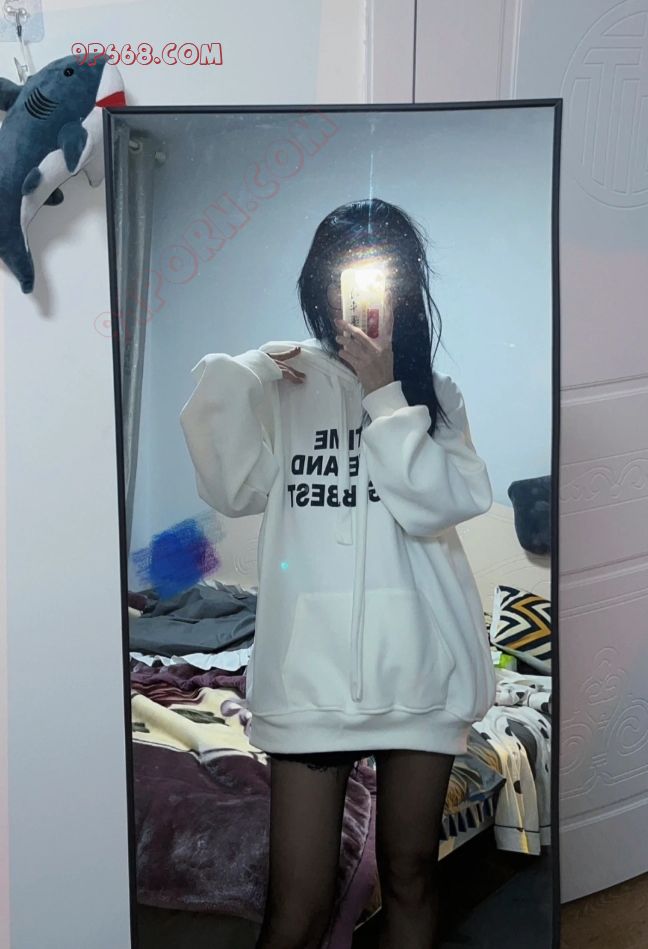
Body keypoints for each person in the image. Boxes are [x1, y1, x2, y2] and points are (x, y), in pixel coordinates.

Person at [179, 198, 496, 949]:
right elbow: (232, 487)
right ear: (319, 286)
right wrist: (250, 370)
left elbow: (438, 504)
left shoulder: (435, 397)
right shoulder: (285, 384)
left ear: (403, 289)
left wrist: (386, 393)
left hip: (419, 670)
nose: (350, 296)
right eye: (337, 275)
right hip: (310, 679)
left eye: (374, 275)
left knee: (411, 873)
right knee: (297, 907)